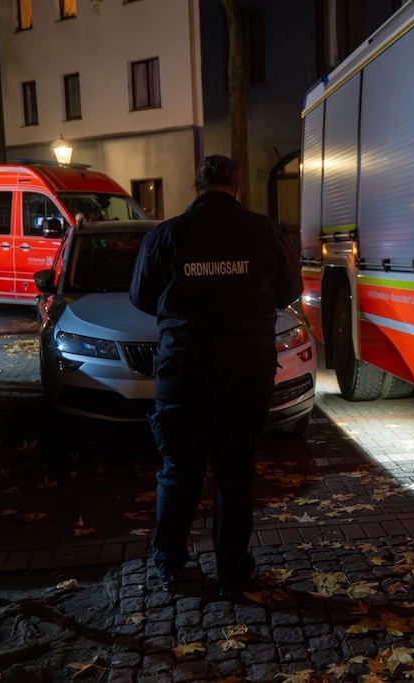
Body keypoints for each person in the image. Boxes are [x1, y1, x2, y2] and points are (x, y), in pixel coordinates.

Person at [129, 155, 302, 596]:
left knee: (179, 470)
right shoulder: (265, 232)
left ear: (197, 187)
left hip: (183, 369)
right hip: (246, 370)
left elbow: (141, 296)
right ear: (237, 188)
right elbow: (289, 290)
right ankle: (233, 571)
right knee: (235, 473)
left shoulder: (167, 235)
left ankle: (170, 564)